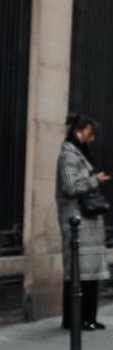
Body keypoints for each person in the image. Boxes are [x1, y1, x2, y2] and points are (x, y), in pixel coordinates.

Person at [56, 113, 110, 330]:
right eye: (90, 133)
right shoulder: (68, 156)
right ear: (78, 131)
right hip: (77, 221)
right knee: (77, 273)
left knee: (89, 274)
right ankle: (74, 320)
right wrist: (95, 180)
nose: (92, 138)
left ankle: (88, 318)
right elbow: (69, 187)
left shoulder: (80, 153)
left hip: (88, 222)